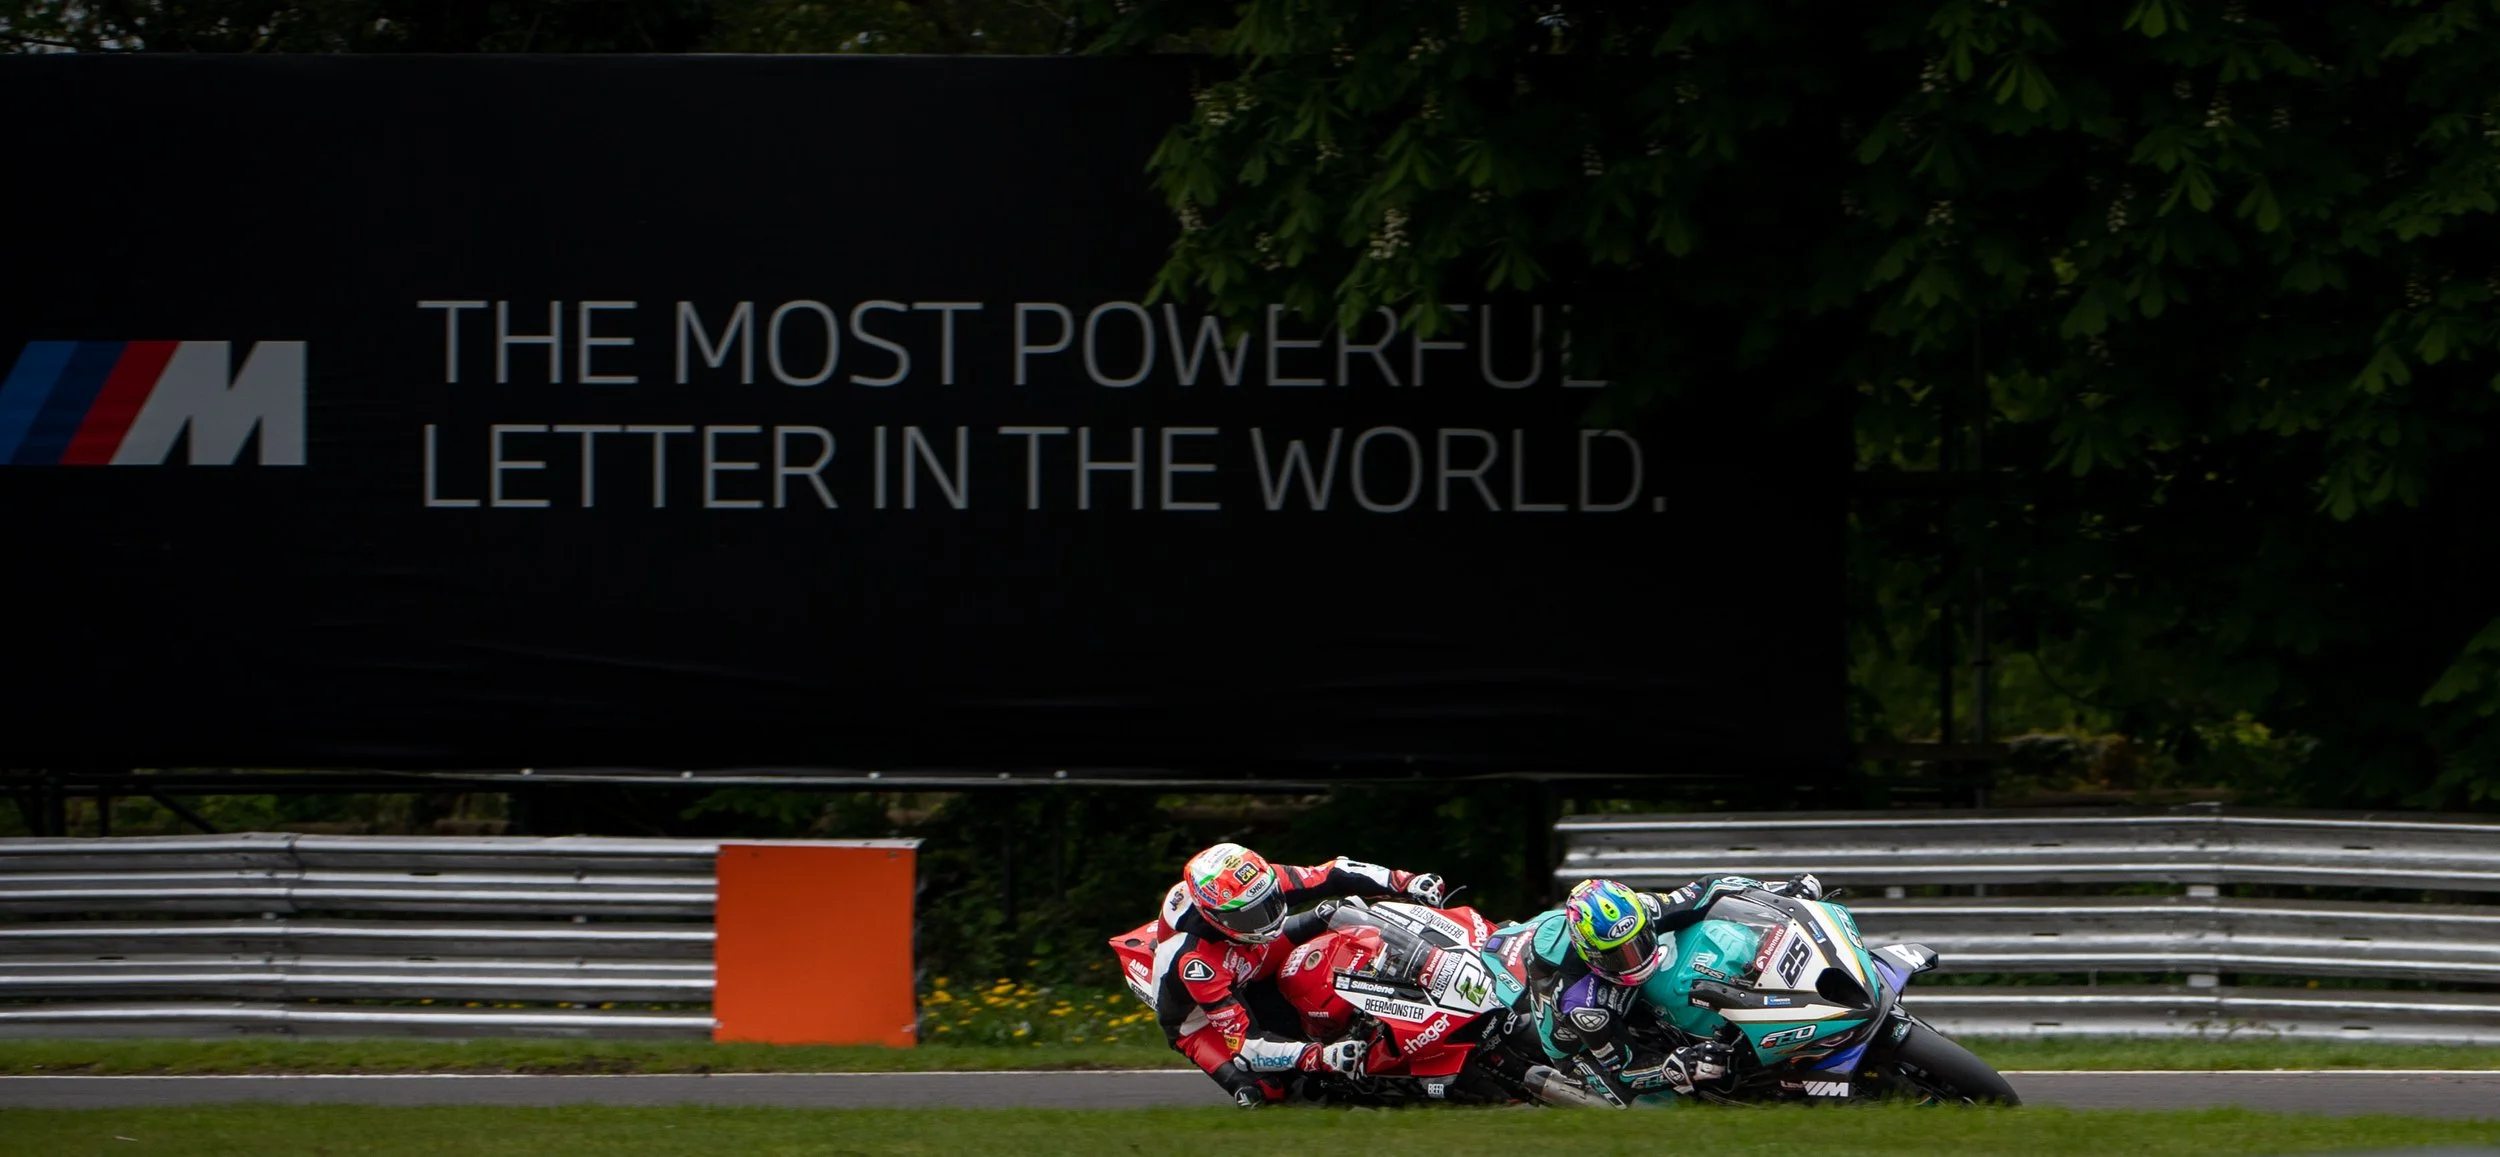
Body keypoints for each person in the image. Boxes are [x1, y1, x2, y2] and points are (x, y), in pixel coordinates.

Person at [1145, 841, 1447, 1107]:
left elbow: (1334, 873)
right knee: (1268, 1092)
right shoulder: (1196, 962)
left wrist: (1404, 882)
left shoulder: (1256, 881)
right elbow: (1248, 1048)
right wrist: (1320, 1056)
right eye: (1251, 914)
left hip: (1252, 953)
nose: (1268, 916)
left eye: (1271, 901)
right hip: (1200, 1020)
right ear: (1214, 916)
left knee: (1334, 912)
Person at [1511, 873, 1825, 1104]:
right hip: (1583, 1048)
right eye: (1619, 954)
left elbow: (1710, 889)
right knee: (1666, 1108)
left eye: (1639, 941)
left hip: (1631, 998)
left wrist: (1779, 892)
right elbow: (1626, 1070)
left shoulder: (1644, 909)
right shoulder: (1583, 1003)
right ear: (1591, 955)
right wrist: (1681, 1065)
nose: (1634, 957)